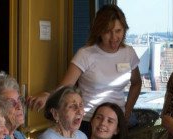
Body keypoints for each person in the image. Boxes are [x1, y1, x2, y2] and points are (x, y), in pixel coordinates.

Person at [27, 4, 142, 132]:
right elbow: (65, 86)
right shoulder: (86, 54)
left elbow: (136, 83)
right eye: (108, 31)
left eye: (118, 31)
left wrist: (127, 111)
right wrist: (48, 95)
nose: (114, 37)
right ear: (99, 31)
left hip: (116, 122)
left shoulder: (129, 53)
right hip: (89, 121)